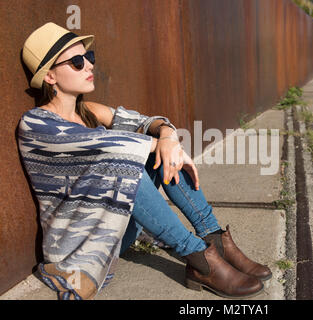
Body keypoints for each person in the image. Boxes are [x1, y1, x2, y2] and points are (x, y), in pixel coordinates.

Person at [19, 22, 271, 300]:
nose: (89, 66)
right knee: (128, 162)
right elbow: (103, 146)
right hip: (83, 242)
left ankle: (213, 237)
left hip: (117, 226)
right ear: (50, 76)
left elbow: (146, 121)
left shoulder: (90, 111)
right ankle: (198, 257)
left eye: (89, 58)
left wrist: (166, 135)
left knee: (158, 156)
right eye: (77, 62)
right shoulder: (36, 125)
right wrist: (159, 144)